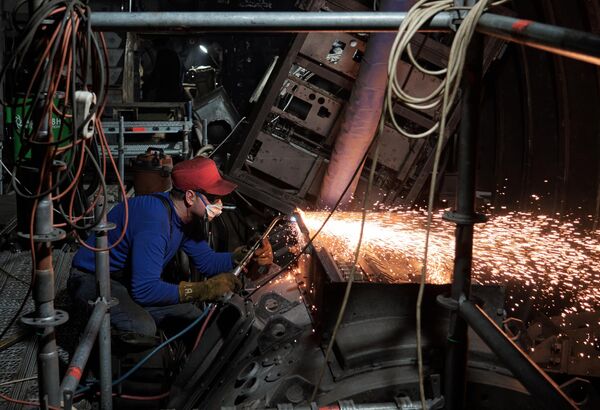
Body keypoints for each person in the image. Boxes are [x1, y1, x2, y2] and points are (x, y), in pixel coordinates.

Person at [68, 157, 273, 337]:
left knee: (196, 320)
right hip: (93, 279)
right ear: (190, 196)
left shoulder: (185, 217)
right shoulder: (155, 224)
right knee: (141, 327)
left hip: (127, 279)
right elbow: (144, 290)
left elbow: (207, 262)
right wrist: (204, 289)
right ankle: (101, 370)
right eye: (211, 197)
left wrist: (240, 257)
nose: (218, 202)